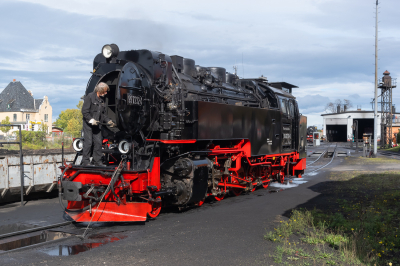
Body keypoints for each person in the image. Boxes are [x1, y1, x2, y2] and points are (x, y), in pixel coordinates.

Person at [81, 82, 116, 166]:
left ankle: (97, 161)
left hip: (97, 124)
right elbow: (84, 111)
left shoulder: (101, 100)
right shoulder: (90, 97)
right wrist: (90, 120)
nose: (106, 93)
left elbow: (103, 114)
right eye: (105, 91)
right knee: (88, 142)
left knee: (98, 143)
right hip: (88, 124)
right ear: (100, 90)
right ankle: (85, 161)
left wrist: (108, 121)